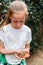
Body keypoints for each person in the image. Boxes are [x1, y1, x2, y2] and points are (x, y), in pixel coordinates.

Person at [0, 0, 32, 65]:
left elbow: (27, 47)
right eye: (15, 21)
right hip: (5, 61)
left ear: (25, 18)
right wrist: (14, 51)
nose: (18, 25)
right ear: (10, 17)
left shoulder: (27, 30)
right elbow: (1, 49)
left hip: (20, 61)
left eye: (21, 21)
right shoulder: (4, 30)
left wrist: (25, 51)